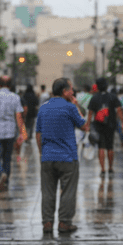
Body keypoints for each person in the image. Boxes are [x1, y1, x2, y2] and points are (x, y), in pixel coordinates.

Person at [36, 78, 89, 234]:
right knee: (68, 191)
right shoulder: (70, 108)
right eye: (71, 89)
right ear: (65, 91)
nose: (73, 92)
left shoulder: (43, 108)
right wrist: (76, 105)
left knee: (47, 192)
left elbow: (38, 134)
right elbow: (85, 126)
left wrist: (42, 152)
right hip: (67, 157)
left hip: (47, 157)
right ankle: (64, 223)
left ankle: (47, 223)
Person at [87, 77, 123, 175]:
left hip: (98, 125)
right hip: (111, 125)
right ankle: (111, 168)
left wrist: (87, 125)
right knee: (110, 147)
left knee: (101, 147)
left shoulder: (94, 98)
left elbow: (90, 113)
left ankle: (103, 169)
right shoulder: (112, 96)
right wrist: (122, 123)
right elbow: (119, 109)